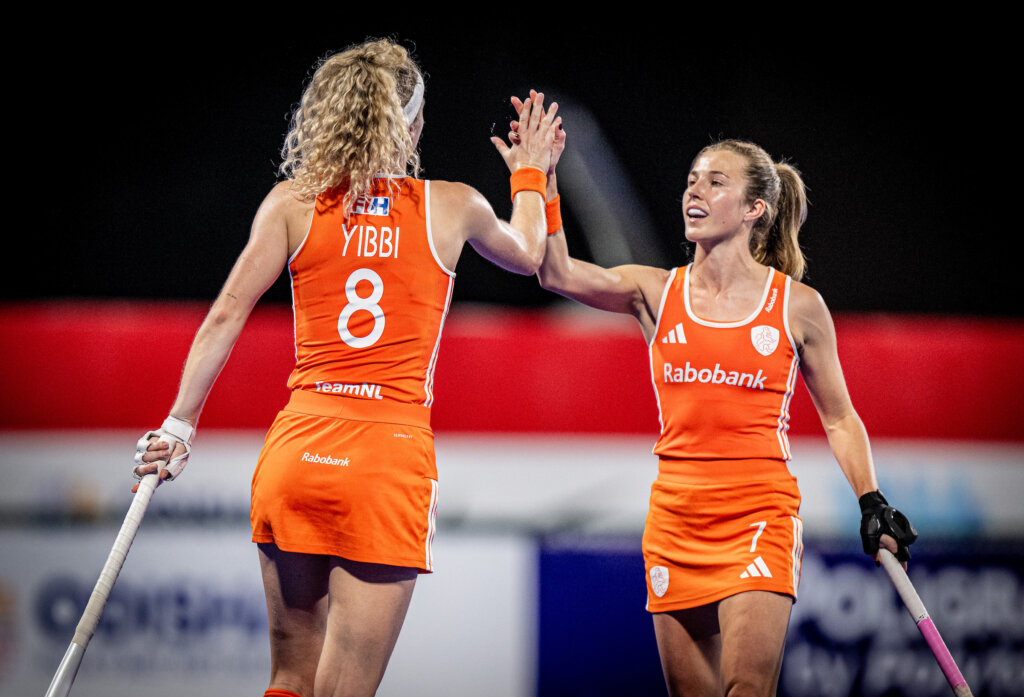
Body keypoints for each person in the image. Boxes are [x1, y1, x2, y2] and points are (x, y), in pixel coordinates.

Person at [132, 40, 560, 697]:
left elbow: (224, 315)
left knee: (289, 678)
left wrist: (178, 426)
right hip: (385, 461)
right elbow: (531, 253)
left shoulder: (292, 203)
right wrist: (531, 174)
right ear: (410, 126)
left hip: (297, 452)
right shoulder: (453, 204)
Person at [508, 97, 917, 696]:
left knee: (746, 688)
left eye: (715, 182)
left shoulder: (798, 307)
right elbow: (556, 273)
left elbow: (840, 419)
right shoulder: (654, 292)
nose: (693, 192)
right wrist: (538, 178)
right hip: (675, 522)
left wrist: (871, 500)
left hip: (759, 517)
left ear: (755, 209)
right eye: (691, 181)